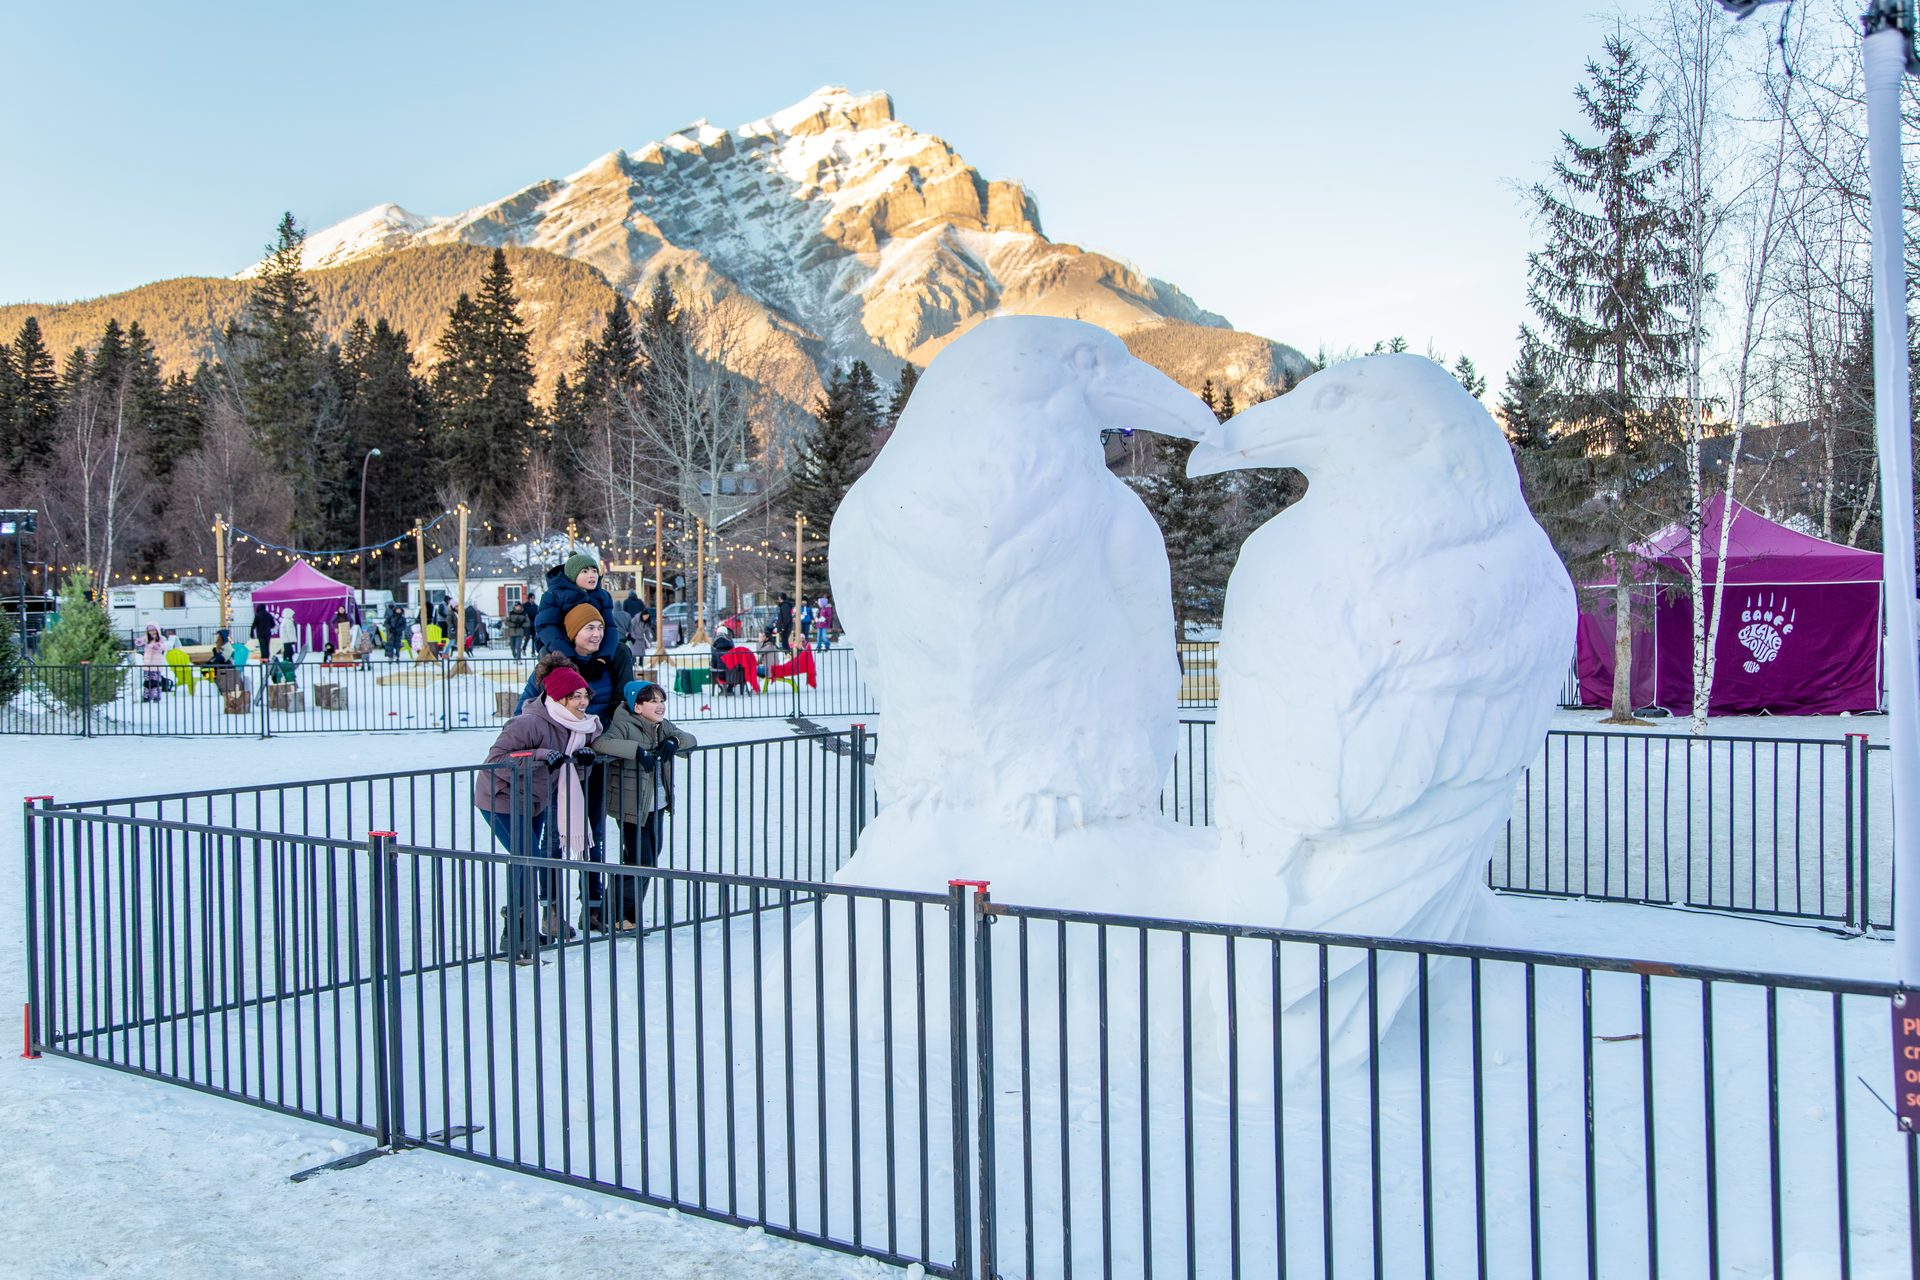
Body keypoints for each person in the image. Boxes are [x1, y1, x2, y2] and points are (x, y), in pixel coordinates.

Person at [474, 662, 604, 963]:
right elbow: (495, 760)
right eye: (575, 697)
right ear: (557, 698)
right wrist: (540, 755)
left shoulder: (581, 728)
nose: (583, 702)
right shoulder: (528, 723)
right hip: (502, 799)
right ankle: (516, 934)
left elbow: (569, 775)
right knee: (528, 860)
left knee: (527, 861)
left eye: (585, 695)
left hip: (535, 801)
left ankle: (521, 931)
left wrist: (583, 761)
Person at [593, 681, 698, 929]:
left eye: (661, 700)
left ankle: (627, 914)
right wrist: (636, 751)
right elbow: (600, 744)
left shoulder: (661, 726)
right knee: (640, 862)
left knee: (646, 861)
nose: (659, 706)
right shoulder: (622, 724)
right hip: (632, 806)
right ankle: (615, 915)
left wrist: (674, 741)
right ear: (637, 706)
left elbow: (690, 739)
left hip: (657, 804)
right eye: (653, 701)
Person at [140, 624, 166, 702]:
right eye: (150, 630)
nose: (152, 632)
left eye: (153, 630)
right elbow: (139, 642)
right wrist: (139, 642)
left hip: (156, 663)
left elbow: (166, 646)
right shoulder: (146, 639)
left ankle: (156, 696)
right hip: (147, 663)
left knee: (155, 681)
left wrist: (159, 646)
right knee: (147, 681)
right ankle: (146, 696)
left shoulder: (161, 639)